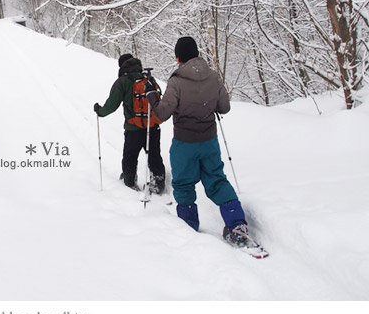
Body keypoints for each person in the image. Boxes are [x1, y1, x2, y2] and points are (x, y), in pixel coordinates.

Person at [144, 37, 256, 248]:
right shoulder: (213, 77)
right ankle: (237, 225)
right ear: (196, 54)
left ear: (178, 57)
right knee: (217, 181)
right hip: (209, 141)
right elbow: (224, 107)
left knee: (184, 184)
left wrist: (151, 94)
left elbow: (161, 113)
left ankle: (189, 227)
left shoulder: (176, 81)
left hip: (184, 143)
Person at [94, 54, 166, 194]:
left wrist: (100, 111)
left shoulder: (122, 81)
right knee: (154, 154)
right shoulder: (148, 79)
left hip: (133, 128)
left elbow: (112, 105)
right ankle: (158, 182)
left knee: (130, 156)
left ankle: (129, 182)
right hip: (152, 126)